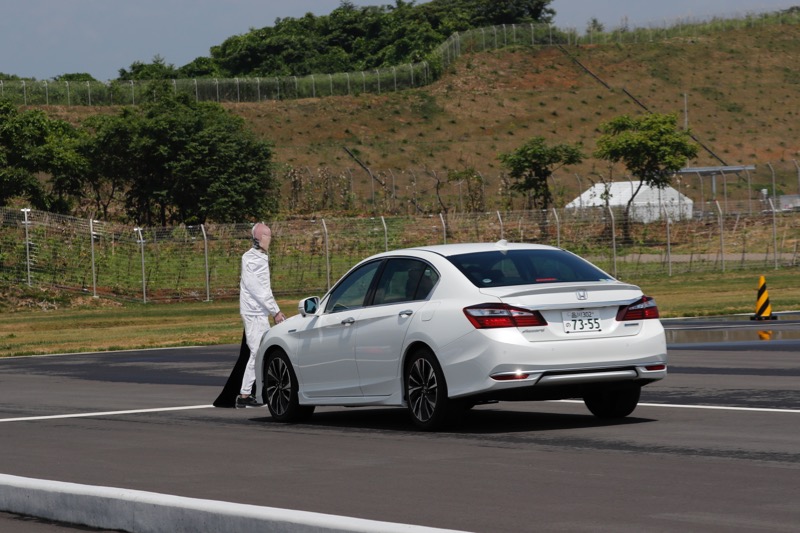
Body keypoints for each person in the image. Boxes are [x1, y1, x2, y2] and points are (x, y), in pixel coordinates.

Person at [237, 222, 286, 408]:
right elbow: (258, 289)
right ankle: (244, 395)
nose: (269, 240)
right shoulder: (250, 259)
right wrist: (276, 310)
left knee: (263, 350)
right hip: (253, 312)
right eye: (267, 236)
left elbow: (264, 289)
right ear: (258, 239)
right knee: (257, 352)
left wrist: (272, 309)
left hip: (260, 312)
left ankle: (260, 392)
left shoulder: (261, 257)